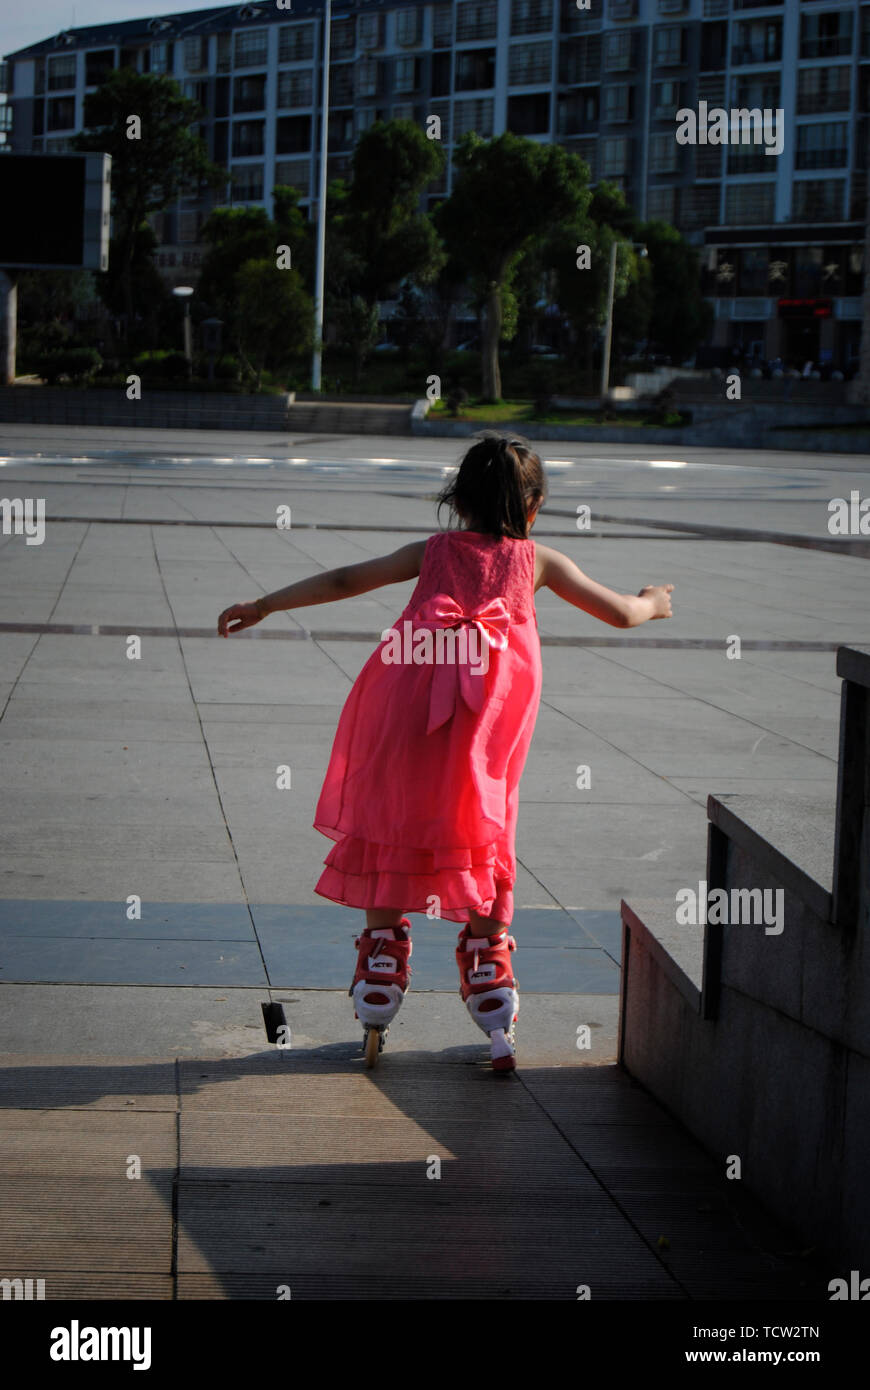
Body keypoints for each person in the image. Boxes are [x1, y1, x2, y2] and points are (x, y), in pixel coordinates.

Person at [217, 434, 674, 1071]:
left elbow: (349, 578)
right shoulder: (538, 561)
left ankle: (380, 964)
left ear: (457, 502)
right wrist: (654, 602)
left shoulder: (430, 553)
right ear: (534, 505)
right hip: (485, 737)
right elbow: (621, 613)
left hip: (409, 711)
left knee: (391, 820)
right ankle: (489, 971)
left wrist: (265, 604)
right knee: (486, 826)